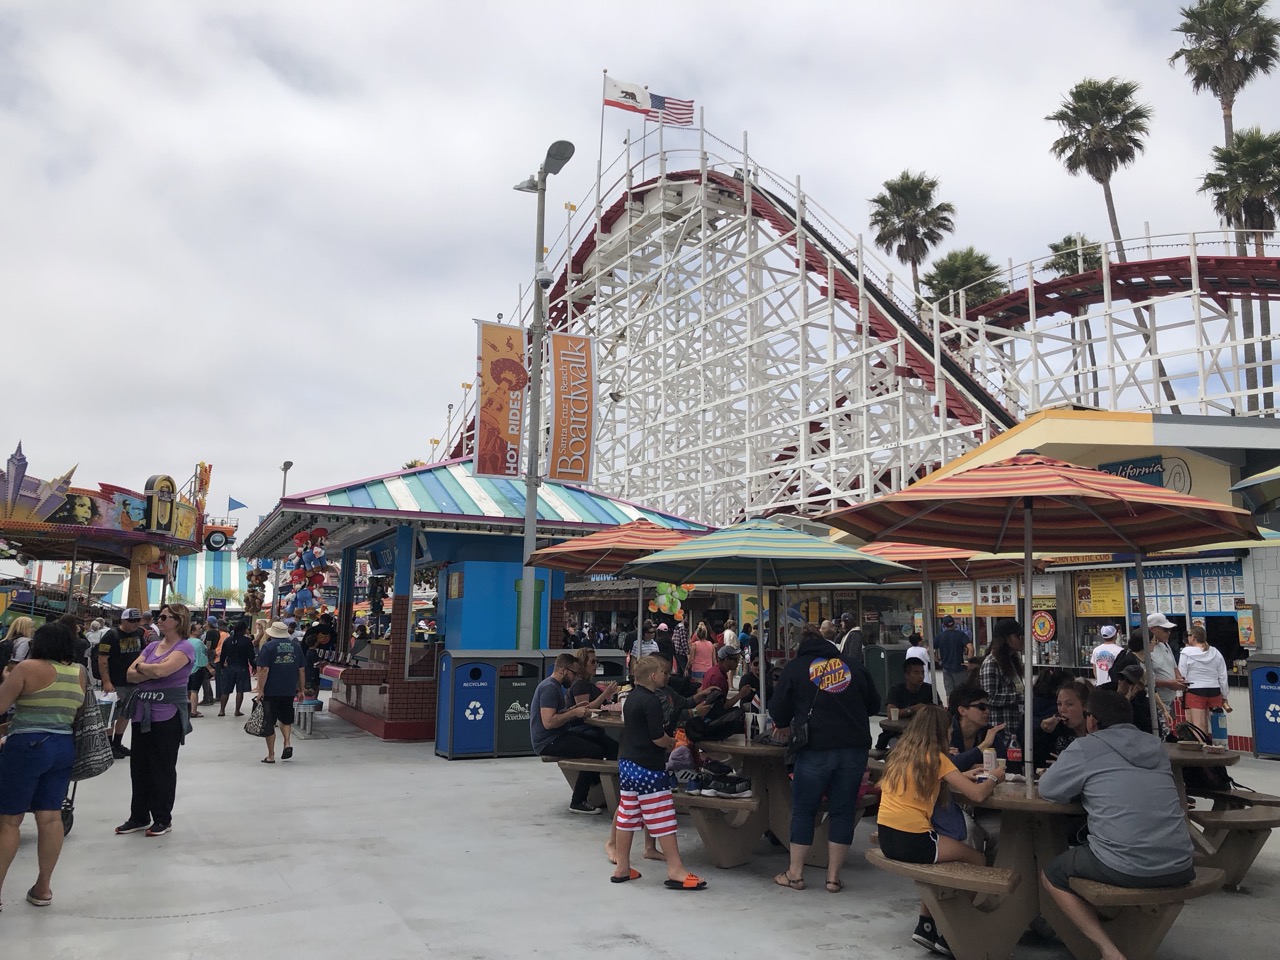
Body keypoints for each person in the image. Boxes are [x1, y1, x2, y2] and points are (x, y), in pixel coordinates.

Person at [1038, 690, 1195, 960]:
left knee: (1052, 874)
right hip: (1181, 861)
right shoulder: (1155, 745)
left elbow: (1048, 789)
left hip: (1125, 863)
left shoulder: (1087, 746)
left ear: (1092, 720)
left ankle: (1107, 949)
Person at [876, 705, 1004, 956]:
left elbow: (933, 777)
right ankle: (952, 929)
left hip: (887, 837)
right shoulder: (937, 757)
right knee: (977, 858)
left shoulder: (900, 753)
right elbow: (977, 794)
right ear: (941, 731)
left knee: (941, 861)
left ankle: (926, 925)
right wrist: (995, 776)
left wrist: (961, 774)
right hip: (915, 841)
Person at [768, 624, 880, 894]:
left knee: (804, 810)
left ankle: (795, 874)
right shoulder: (853, 666)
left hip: (815, 749)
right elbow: (874, 705)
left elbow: (777, 710)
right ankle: (833, 878)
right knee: (843, 811)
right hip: (854, 750)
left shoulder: (796, 668)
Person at [0, 622, 85, 909]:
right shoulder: (79, 673)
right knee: (50, 818)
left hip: (26, 747)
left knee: (9, 821)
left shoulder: (26, 668)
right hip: (62, 748)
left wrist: (5, 678)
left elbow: (1, 705)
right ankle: (43, 887)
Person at [610, 654, 706, 890]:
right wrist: (671, 742)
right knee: (662, 816)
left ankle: (622, 866)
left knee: (627, 813)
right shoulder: (651, 701)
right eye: (663, 673)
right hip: (648, 766)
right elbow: (656, 737)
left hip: (627, 763)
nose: (666, 675)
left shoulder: (630, 698)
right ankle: (675, 869)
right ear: (653, 676)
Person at [115, 603, 195, 838]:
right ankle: (138, 815)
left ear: (178, 621)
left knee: (162, 767)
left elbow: (163, 672)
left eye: (164, 617)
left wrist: (145, 668)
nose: (159, 621)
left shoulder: (185, 648)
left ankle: (162, 817)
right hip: (142, 712)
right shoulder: (151, 646)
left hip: (167, 713)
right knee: (139, 766)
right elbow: (130, 673)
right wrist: (148, 668)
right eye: (159, 617)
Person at [531, 653, 617, 814]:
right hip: (547, 741)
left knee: (602, 741)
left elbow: (556, 714)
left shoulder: (553, 686)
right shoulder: (549, 688)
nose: (576, 677)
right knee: (594, 751)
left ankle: (603, 787)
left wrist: (571, 710)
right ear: (564, 670)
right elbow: (548, 722)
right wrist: (573, 713)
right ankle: (578, 800)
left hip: (557, 735)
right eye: (574, 673)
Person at [98, 608, 147, 758]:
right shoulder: (111, 635)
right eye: (131, 621)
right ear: (123, 620)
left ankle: (118, 743)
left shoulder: (139, 634)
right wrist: (106, 681)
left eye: (137, 620)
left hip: (133, 682)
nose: (135, 623)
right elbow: (102, 659)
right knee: (112, 714)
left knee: (126, 714)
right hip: (116, 682)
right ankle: (109, 745)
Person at [254, 621, 306, 764]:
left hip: (271, 690)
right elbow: (301, 670)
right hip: (289, 690)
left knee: (269, 722)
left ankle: (271, 755)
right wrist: (301, 689)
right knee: (286, 719)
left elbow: (264, 669)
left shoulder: (268, 647)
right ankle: (287, 743)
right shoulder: (296, 647)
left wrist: (260, 689)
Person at [1179, 624, 1229, 735]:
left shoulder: (1185, 653)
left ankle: (1201, 749)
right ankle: (1218, 746)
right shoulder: (1216, 652)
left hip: (1195, 690)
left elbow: (1182, 676)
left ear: (1193, 637)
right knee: (1216, 724)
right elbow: (1223, 675)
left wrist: (1179, 694)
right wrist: (1224, 695)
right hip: (1214, 690)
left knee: (1199, 726)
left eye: (1188, 635)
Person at [876, 657, 935, 751]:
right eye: (916, 673)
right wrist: (912, 709)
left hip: (924, 733)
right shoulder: (896, 690)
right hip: (898, 734)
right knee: (901, 752)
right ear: (906, 675)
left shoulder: (929, 689)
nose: (921, 676)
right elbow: (891, 714)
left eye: (922, 672)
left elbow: (939, 709)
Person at [978, 618, 1025, 734]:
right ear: (1004, 639)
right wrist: (1019, 697)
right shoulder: (992, 663)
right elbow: (989, 697)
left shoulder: (1011, 661)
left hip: (1015, 724)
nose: (1021, 640)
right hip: (1000, 728)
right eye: (1017, 636)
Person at [1035, 678, 1090, 767]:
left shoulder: (1097, 730)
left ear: (1085, 706)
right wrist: (1042, 732)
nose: (1062, 710)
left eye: (1069, 704)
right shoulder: (1055, 728)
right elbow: (1038, 761)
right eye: (1059, 704)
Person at [1146, 612, 1187, 713]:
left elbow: (1174, 667)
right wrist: (1168, 684)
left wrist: (1179, 679)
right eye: (1165, 630)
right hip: (1153, 703)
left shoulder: (1165, 645)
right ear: (1152, 629)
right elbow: (1145, 681)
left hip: (1169, 701)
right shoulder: (1145, 650)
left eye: (1170, 630)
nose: (1169, 633)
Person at [218, 620, 257, 717]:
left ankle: (222, 710)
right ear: (243, 630)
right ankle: (237, 710)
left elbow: (222, 656)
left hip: (230, 667)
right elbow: (251, 656)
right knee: (240, 690)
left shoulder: (228, 640)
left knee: (225, 690)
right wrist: (254, 666)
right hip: (242, 667)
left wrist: (222, 666)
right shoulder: (247, 641)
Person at [935, 615, 972, 698]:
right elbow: (971, 648)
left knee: (949, 694)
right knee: (962, 692)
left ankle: (950, 709)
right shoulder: (961, 635)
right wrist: (969, 663)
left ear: (944, 625)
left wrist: (938, 661)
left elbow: (929, 650)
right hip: (959, 668)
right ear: (954, 623)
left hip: (946, 668)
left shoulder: (940, 636)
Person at [185, 621, 211, 718]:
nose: (201, 630)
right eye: (199, 629)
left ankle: (188, 709)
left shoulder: (186, 642)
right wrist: (209, 668)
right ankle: (193, 710)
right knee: (194, 691)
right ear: (193, 631)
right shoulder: (199, 643)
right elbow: (202, 658)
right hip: (197, 669)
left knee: (188, 690)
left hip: (187, 669)